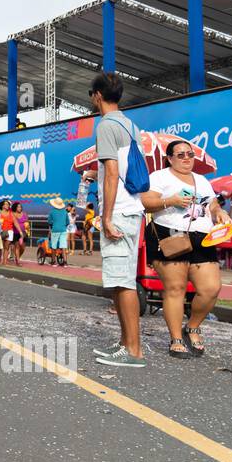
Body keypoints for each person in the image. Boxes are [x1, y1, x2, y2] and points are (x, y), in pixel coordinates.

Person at [140, 139, 230, 358]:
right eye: (180, 155)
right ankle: (176, 339)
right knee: (175, 289)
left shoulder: (201, 180)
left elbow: (212, 203)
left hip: (202, 237)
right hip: (169, 234)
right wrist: (171, 200)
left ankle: (192, 327)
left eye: (190, 154)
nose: (187, 158)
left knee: (211, 288)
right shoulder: (159, 177)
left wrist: (219, 212)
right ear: (170, 158)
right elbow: (146, 201)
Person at [90, 71, 148, 369]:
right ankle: (126, 343)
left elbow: (112, 173)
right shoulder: (130, 124)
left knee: (122, 283)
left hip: (120, 211)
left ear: (97, 96)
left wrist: (106, 216)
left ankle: (133, 350)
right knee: (120, 280)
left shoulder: (105, 126)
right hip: (132, 208)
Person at [46, 197, 70, 266]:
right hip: (63, 230)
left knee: (54, 246)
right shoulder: (65, 212)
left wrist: (53, 225)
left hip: (55, 230)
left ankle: (54, 261)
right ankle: (65, 262)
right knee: (63, 246)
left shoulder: (52, 212)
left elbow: (49, 222)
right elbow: (67, 222)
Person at [12, 201, 30, 265]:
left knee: (23, 248)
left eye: (20, 207)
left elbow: (27, 222)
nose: (19, 208)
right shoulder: (13, 214)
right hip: (15, 233)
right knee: (17, 247)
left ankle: (17, 258)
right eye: (18, 207)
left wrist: (27, 227)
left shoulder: (24, 214)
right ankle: (18, 261)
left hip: (24, 233)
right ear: (15, 208)